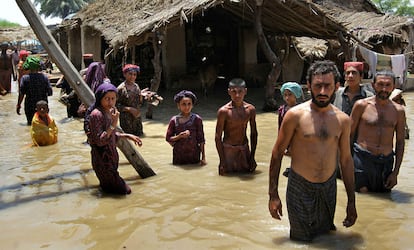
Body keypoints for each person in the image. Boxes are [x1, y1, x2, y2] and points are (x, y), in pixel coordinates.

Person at [268, 60, 357, 242]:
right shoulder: (295, 115)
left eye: (327, 86)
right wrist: (273, 195)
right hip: (299, 187)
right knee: (300, 241)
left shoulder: (343, 120)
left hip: (329, 187)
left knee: (325, 238)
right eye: (318, 86)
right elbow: (277, 154)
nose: (323, 92)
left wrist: (351, 202)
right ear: (308, 86)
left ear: (337, 86)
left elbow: (346, 161)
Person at [350, 70, 406, 193]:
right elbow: (349, 135)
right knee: (362, 195)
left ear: (394, 86)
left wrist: (395, 173)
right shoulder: (361, 105)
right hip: (362, 158)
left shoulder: (398, 111)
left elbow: (400, 142)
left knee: (384, 198)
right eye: (380, 84)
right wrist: (346, 163)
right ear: (373, 84)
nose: (384, 89)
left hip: (385, 161)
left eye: (388, 85)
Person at [87, 83, 143, 195]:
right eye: (107, 99)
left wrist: (127, 135)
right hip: (102, 160)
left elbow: (111, 136)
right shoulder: (96, 115)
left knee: (109, 191)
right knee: (125, 191)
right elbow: (100, 140)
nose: (110, 102)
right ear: (100, 98)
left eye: (113, 99)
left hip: (110, 159)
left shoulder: (109, 112)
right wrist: (113, 124)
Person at [215, 78, 257, 175]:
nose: (237, 95)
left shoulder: (250, 110)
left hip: (244, 149)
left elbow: (254, 134)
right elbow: (218, 137)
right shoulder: (224, 111)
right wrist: (222, 160)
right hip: (228, 150)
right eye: (234, 92)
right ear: (229, 92)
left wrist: (252, 157)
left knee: (248, 176)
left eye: (240, 91)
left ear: (245, 91)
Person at [166, 90, 206, 165]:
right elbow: (168, 138)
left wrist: (203, 158)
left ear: (192, 105)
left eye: (189, 104)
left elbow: (201, 140)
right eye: (183, 104)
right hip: (179, 155)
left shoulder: (197, 119)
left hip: (194, 155)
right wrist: (179, 136)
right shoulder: (174, 120)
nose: (187, 107)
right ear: (178, 105)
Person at [16, 56, 53, 125]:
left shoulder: (25, 78)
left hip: (29, 106)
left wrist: (18, 105)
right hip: (43, 106)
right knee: (43, 125)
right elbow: (50, 92)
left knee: (31, 125)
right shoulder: (44, 77)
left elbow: (21, 93)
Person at [277, 81, 303, 177]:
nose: (287, 97)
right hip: (287, 138)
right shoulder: (281, 110)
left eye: (290, 94)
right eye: (285, 95)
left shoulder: (301, 109)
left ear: (296, 95)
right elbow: (280, 127)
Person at [116, 64, 145, 136]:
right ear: (124, 74)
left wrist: (143, 97)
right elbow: (115, 105)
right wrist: (129, 109)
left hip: (137, 119)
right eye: (130, 74)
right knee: (128, 139)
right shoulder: (120, 89)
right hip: (126, 121)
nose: (132, 76)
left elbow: (139, 103)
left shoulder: (136, 86)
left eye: (135, 74)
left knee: (139, 138)